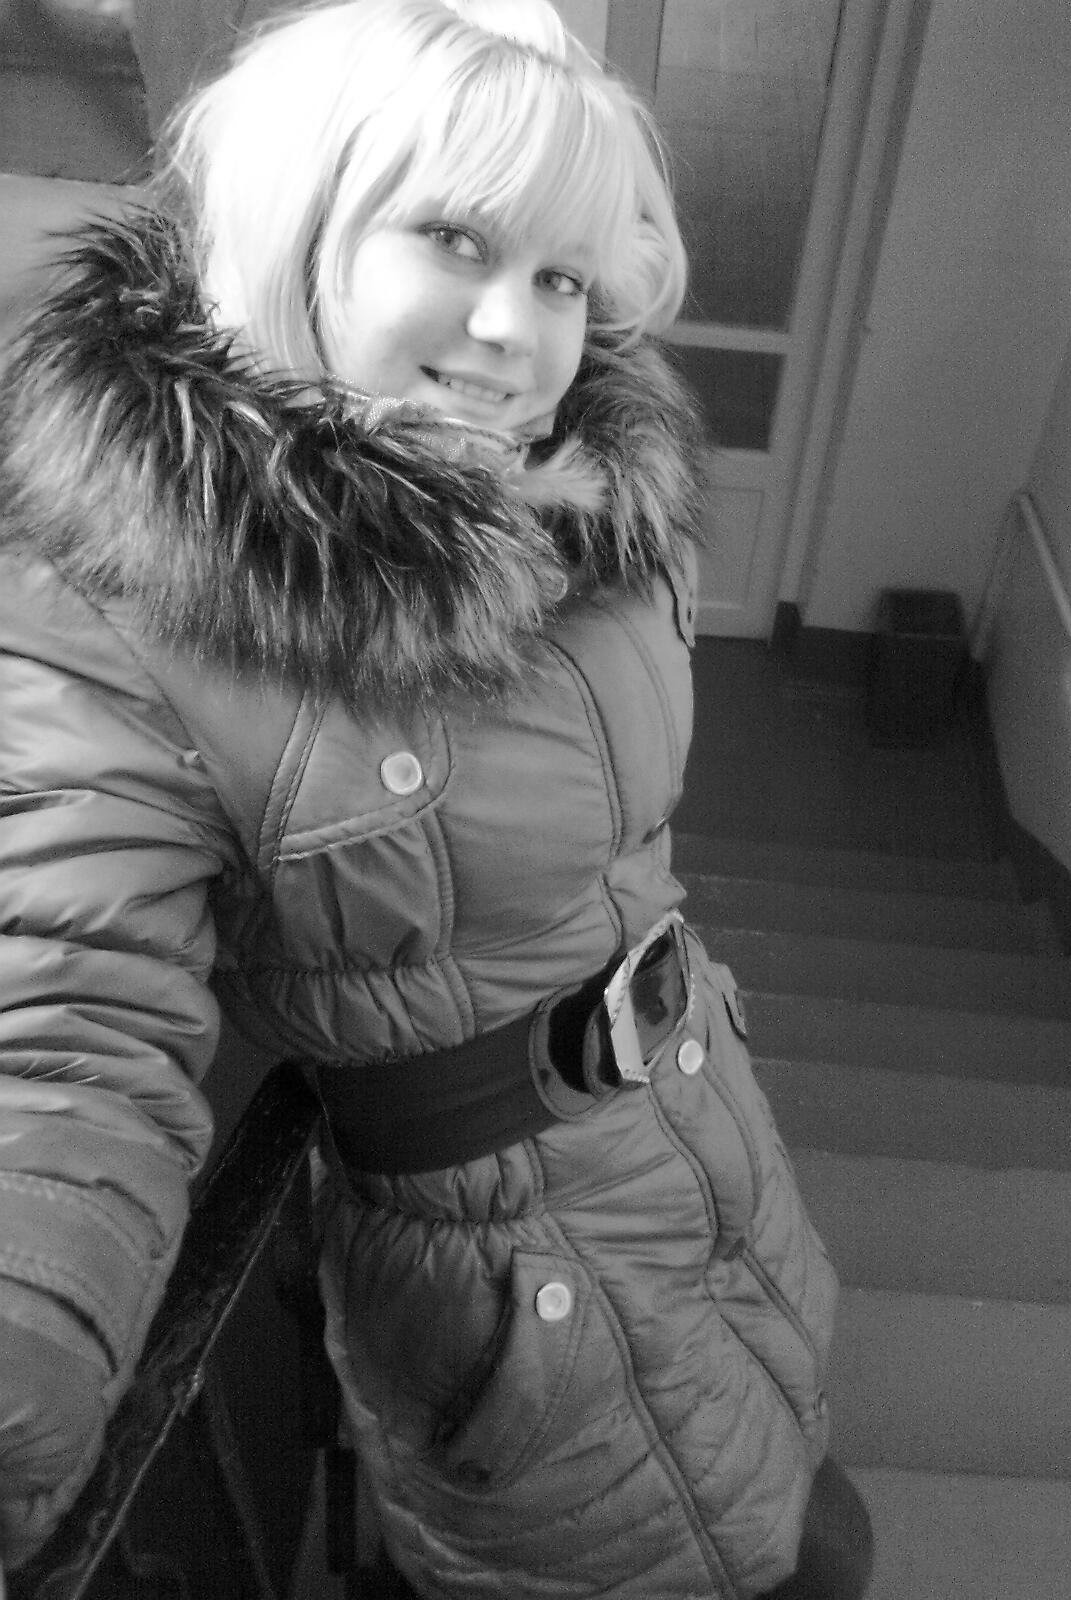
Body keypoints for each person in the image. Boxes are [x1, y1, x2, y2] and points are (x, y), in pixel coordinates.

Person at [0, 2, 873, 1595]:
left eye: (561, 278)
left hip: (707, 1150)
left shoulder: (581, 493)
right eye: (455, 240)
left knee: (800, 1503)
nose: (514, 331)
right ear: (300, 223)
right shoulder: (119, 622)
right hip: (512, 1299)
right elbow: (62, 1038)